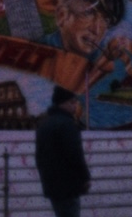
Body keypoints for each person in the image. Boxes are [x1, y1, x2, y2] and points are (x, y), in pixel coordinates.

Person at [35, 85, 91, 217]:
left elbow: (39, 157)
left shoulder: (44, 124)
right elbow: (75, 154)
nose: (75, 105)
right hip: (68, 187)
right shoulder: (67, 124)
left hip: (52, 185)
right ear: (63, 103)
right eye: (72, 102)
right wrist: (85, 177)